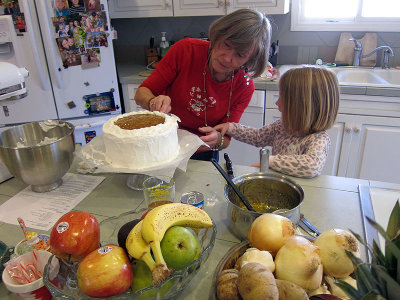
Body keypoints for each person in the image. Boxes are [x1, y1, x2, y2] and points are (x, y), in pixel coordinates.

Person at [134, 8, 271, 162]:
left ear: (250, 60)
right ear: (218, 36)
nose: (227, 58)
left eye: (240, 55)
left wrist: (217, 140)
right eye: (226, 45)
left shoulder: (244, 86)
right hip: (164, 143)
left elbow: (225, 139)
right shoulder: (185, 50)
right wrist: (153, 102)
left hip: (203, 151)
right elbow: (141, 93)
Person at [214, 66, 340, 178]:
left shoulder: (317, 139)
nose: (277, 102)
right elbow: (257, 136)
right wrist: (230, 127)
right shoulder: (282, 127)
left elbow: (312, 166)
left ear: (301, 107)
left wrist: (269, 162)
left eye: (282, 98)